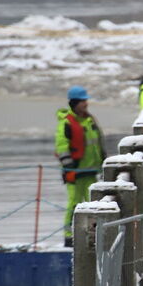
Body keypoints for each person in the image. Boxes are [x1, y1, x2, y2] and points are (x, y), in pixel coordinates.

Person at [55, 86, 105, 246]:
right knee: (74, 203)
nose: (86, 104)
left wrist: (103, 162)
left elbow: (98, 144)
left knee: (92, 203)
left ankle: (91, 234)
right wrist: (69, 168)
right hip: (75, 173)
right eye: (82, 101)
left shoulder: (89, 121)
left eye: (86, 100)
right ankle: (69, 236)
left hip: (90, 171)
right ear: (74, 103)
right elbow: (62, 146)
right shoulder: (66, 123)